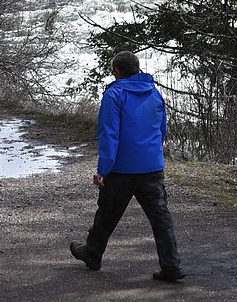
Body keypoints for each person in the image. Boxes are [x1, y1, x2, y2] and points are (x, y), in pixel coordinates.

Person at [70, 50, 185, 282]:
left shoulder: (114, 94)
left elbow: (109, 135)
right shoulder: (154, 93)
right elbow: (161, 129)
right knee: (161, 218)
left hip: (122, 169)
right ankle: (171, 266)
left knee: (107, 214)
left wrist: (103, 169)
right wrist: (152, 153)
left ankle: (92, 254)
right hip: (152, 167)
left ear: (117, 71)